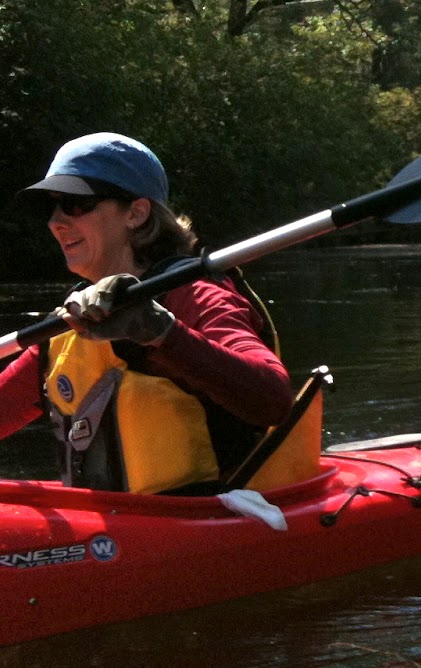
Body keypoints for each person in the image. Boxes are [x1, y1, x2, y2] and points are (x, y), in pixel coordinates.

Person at [0, 133, 294, 493]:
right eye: (52, 208)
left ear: (136, 213)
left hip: (208, 519)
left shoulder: (194, 295)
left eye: (76, 204)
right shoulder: (74, 316)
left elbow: (274, 401)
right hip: (120, 526)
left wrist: (159, 331)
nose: (55, 222)